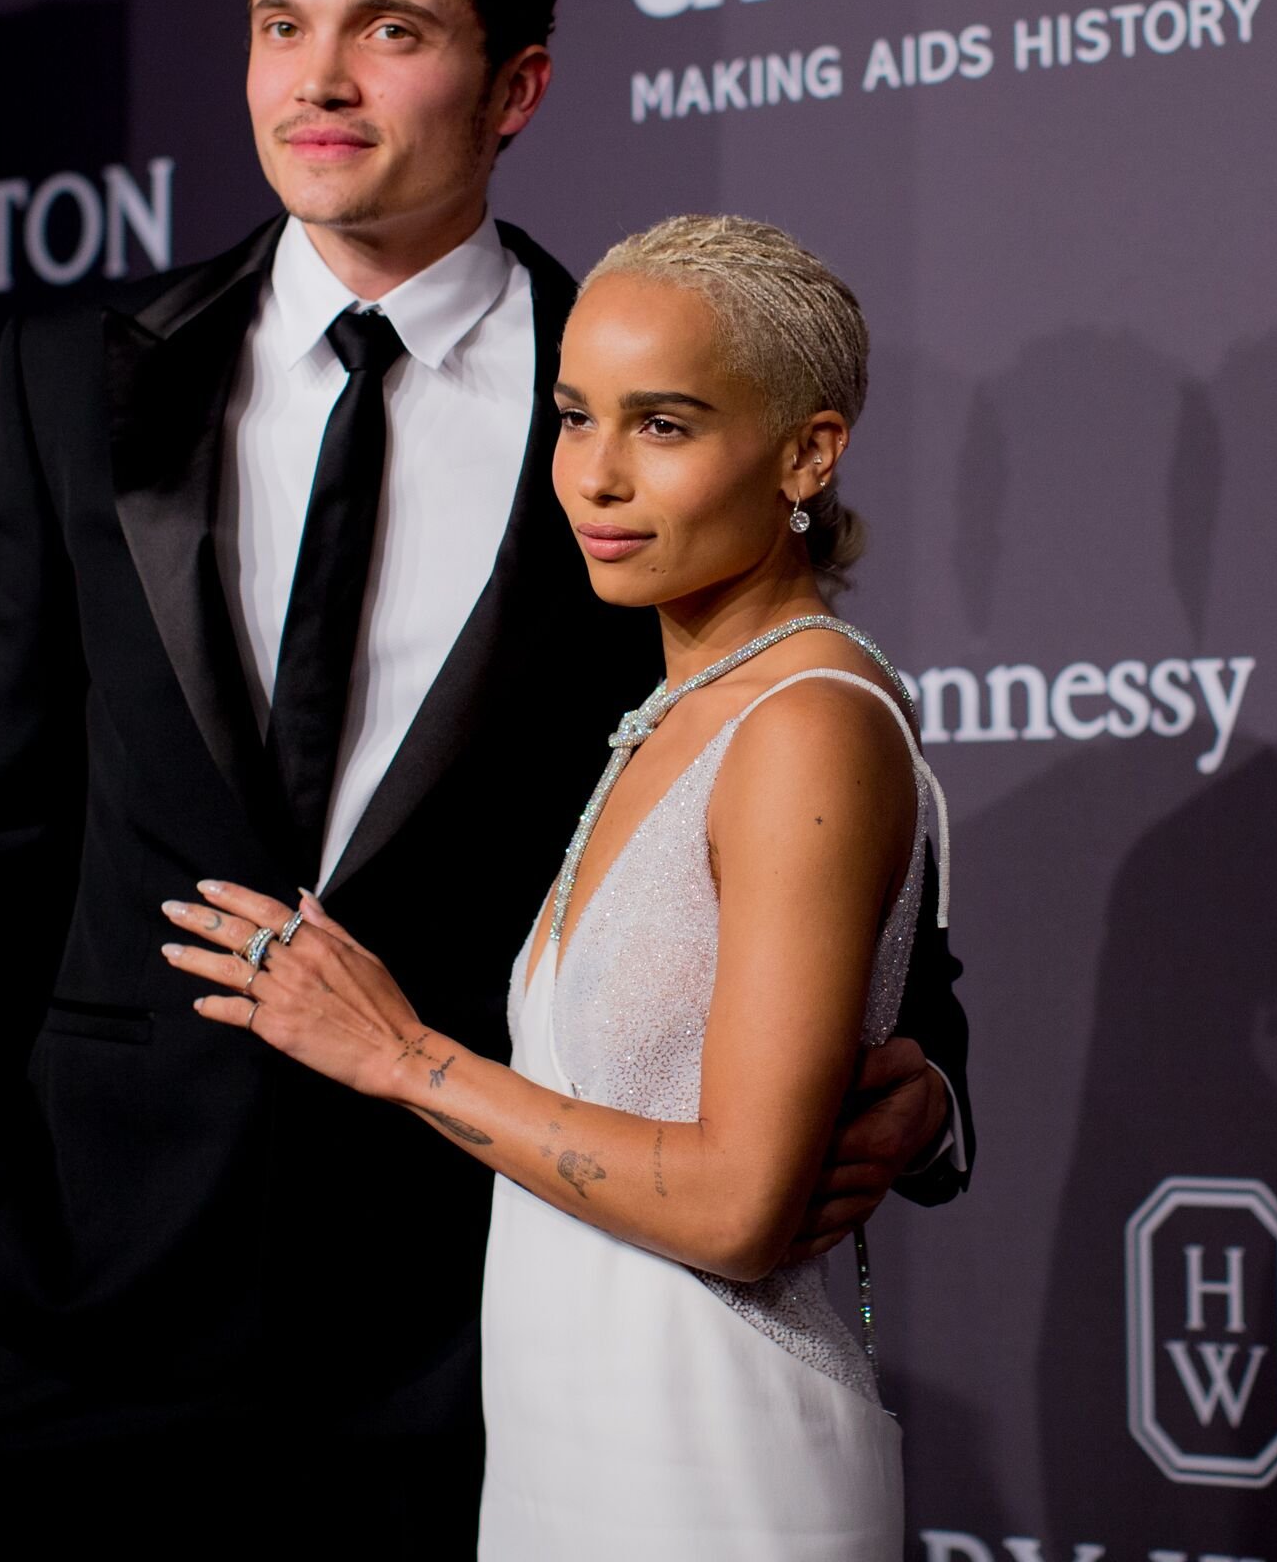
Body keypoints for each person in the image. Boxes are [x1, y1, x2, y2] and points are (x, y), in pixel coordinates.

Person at [0, 0, 973, 1553]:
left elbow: (780, 771)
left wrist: (931, 1075)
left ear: (517, 87)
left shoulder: (631, 409)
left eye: (390, 31)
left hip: (464, 1320)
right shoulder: (78, 380)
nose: (318, 79)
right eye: (279, 24)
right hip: (86, 1303)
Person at [171, 214, 938, 1558]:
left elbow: (739, 1211)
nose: (594, 476)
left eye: (665, 425)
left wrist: (404, 1057)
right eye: (575, 417)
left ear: (807, 454)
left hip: (712, 1461)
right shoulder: (668, 701)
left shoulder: (806, 723)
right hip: (560, 1448)